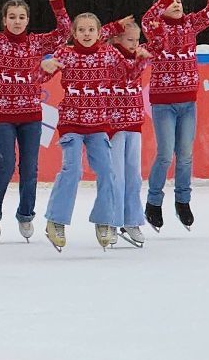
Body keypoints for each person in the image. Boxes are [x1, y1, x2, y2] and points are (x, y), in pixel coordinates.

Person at [0, 0, 73, 244]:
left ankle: (26, 214)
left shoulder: (37, 43)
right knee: (6, 164)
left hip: (30, 114)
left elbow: (65, 33)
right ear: (4, 20)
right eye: (12, 17)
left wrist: (58, 5)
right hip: (1, 114)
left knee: (30, 168)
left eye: (21, 17)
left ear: (28, 20)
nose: (17, 21)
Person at [41, 14, 149, 251]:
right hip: (71, 123)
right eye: (82, 30)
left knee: (108, 172)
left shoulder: (109, 54)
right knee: (73, 169)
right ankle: (56, 221)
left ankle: (104, 220)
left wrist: (140, 60)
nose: (87, 34)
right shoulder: (65, 53)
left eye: (91, 30)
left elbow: (128, 75)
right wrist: (44, 66)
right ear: (74, 33)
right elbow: (38, 78)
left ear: (100, 33)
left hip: (99, 125)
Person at [142, 0, 209, 231]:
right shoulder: (156, 29)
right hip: (163, 103)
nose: (177, 5)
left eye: (179, 2)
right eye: (172, 2)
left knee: (185, 155)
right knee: (165, 154)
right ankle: (154, 202)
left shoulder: (189, 25)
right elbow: (147, 18)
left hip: (188, 102)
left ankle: (183, 201)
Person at [108, 19, 154, 248]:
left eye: (137, 40)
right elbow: (126, 75)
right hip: (113, 125)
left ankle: (132, 220)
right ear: (116, 39)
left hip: (134, 123)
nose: (135, 44)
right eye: (130, 40)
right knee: (116, 176)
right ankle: (112, 221)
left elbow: (159, 39)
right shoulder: (109, 56)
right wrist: (140, 61)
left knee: (133, 176)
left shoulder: (137, 56)